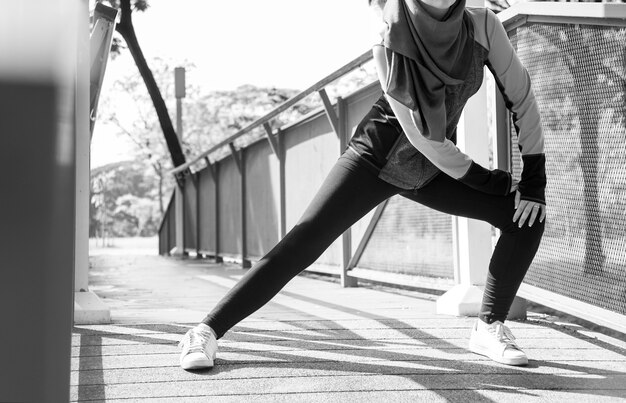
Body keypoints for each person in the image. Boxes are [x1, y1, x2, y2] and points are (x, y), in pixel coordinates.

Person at [178, 0, 546, 370]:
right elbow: (421, 136)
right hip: (377, 156)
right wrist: (490, 180)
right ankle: (206, 331)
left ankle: (489, 326)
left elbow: (522, 96)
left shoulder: (482, 25)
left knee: (527, 213)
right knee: (304, 242)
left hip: (435, 169)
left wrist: (533, 178)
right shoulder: (389, 35)